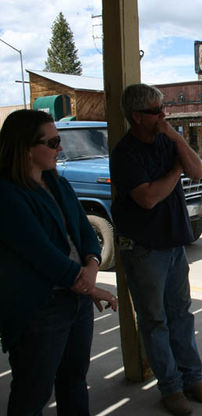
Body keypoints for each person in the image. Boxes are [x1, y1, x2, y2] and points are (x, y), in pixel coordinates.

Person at [110, 84, 202, 416]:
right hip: (144, 250)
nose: (163, 115)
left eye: (163, 109)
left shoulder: (165, 140)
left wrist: (176, 139)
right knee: (155, 321)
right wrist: (175, 170)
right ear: (137, 117)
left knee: (182, 317)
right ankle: (170, 388)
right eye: (157, 111)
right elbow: (148, 197)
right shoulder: (126, 153)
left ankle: (192, 379)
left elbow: (197, 170)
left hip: (172, 246)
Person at [0, 109, 118, 415]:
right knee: (32, 392)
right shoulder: (7, 194)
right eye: (52, 143)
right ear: (26, 148)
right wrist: (89, 286)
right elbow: (41, 253)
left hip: (76, 301)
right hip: (40, 308)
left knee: (74, 381)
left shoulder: (57, 183)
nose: (60, 148)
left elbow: (86, 230)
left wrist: (91, 266)